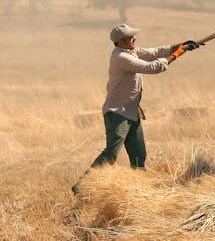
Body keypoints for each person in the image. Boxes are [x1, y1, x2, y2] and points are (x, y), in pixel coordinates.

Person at [77, 23, 201, 185]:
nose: (134, 39)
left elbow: (155, 52)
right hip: (117, 113)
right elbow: (152, 67)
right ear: (120, 42)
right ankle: (84, 185)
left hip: (131, 112)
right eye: (130, 37)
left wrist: (180, 44)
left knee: (138, 156)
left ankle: (139, 188)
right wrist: (178, 53)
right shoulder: (120, 57)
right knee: (111, 154)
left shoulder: (132, 51)